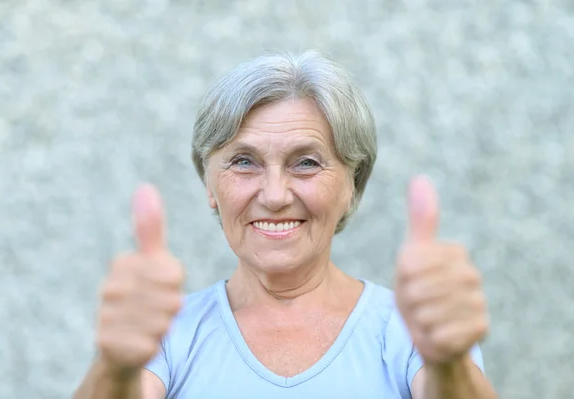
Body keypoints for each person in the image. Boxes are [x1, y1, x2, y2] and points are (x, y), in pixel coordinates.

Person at [74, 51, 497, 398]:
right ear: (209, 183)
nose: (275, 195)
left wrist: (450, 365)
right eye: (244, 162)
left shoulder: (414, 329)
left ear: (352, 183)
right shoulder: (164, 332)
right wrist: (114, 368)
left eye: (306, 163)